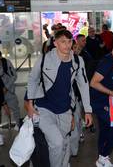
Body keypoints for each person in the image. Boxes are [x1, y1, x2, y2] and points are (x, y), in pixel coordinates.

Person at [26, 29, 93, 167]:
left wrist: (87, 110)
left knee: (64, 143)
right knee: (56, 143)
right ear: (55, 43)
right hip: (44, 108)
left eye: (69, 42)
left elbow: (83, 85)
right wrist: (30, 105)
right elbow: (33, 79)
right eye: (63, 42)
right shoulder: (44, 59)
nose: (67, 45)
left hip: (65, 109)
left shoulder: (77, 60)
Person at [90, 41, 113, 167]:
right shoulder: (107, 62)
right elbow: (94, 82)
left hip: (109, 99)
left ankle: (102, 159)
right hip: (100, 101)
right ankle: (104, 155)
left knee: (105, 129)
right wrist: (111, 92)